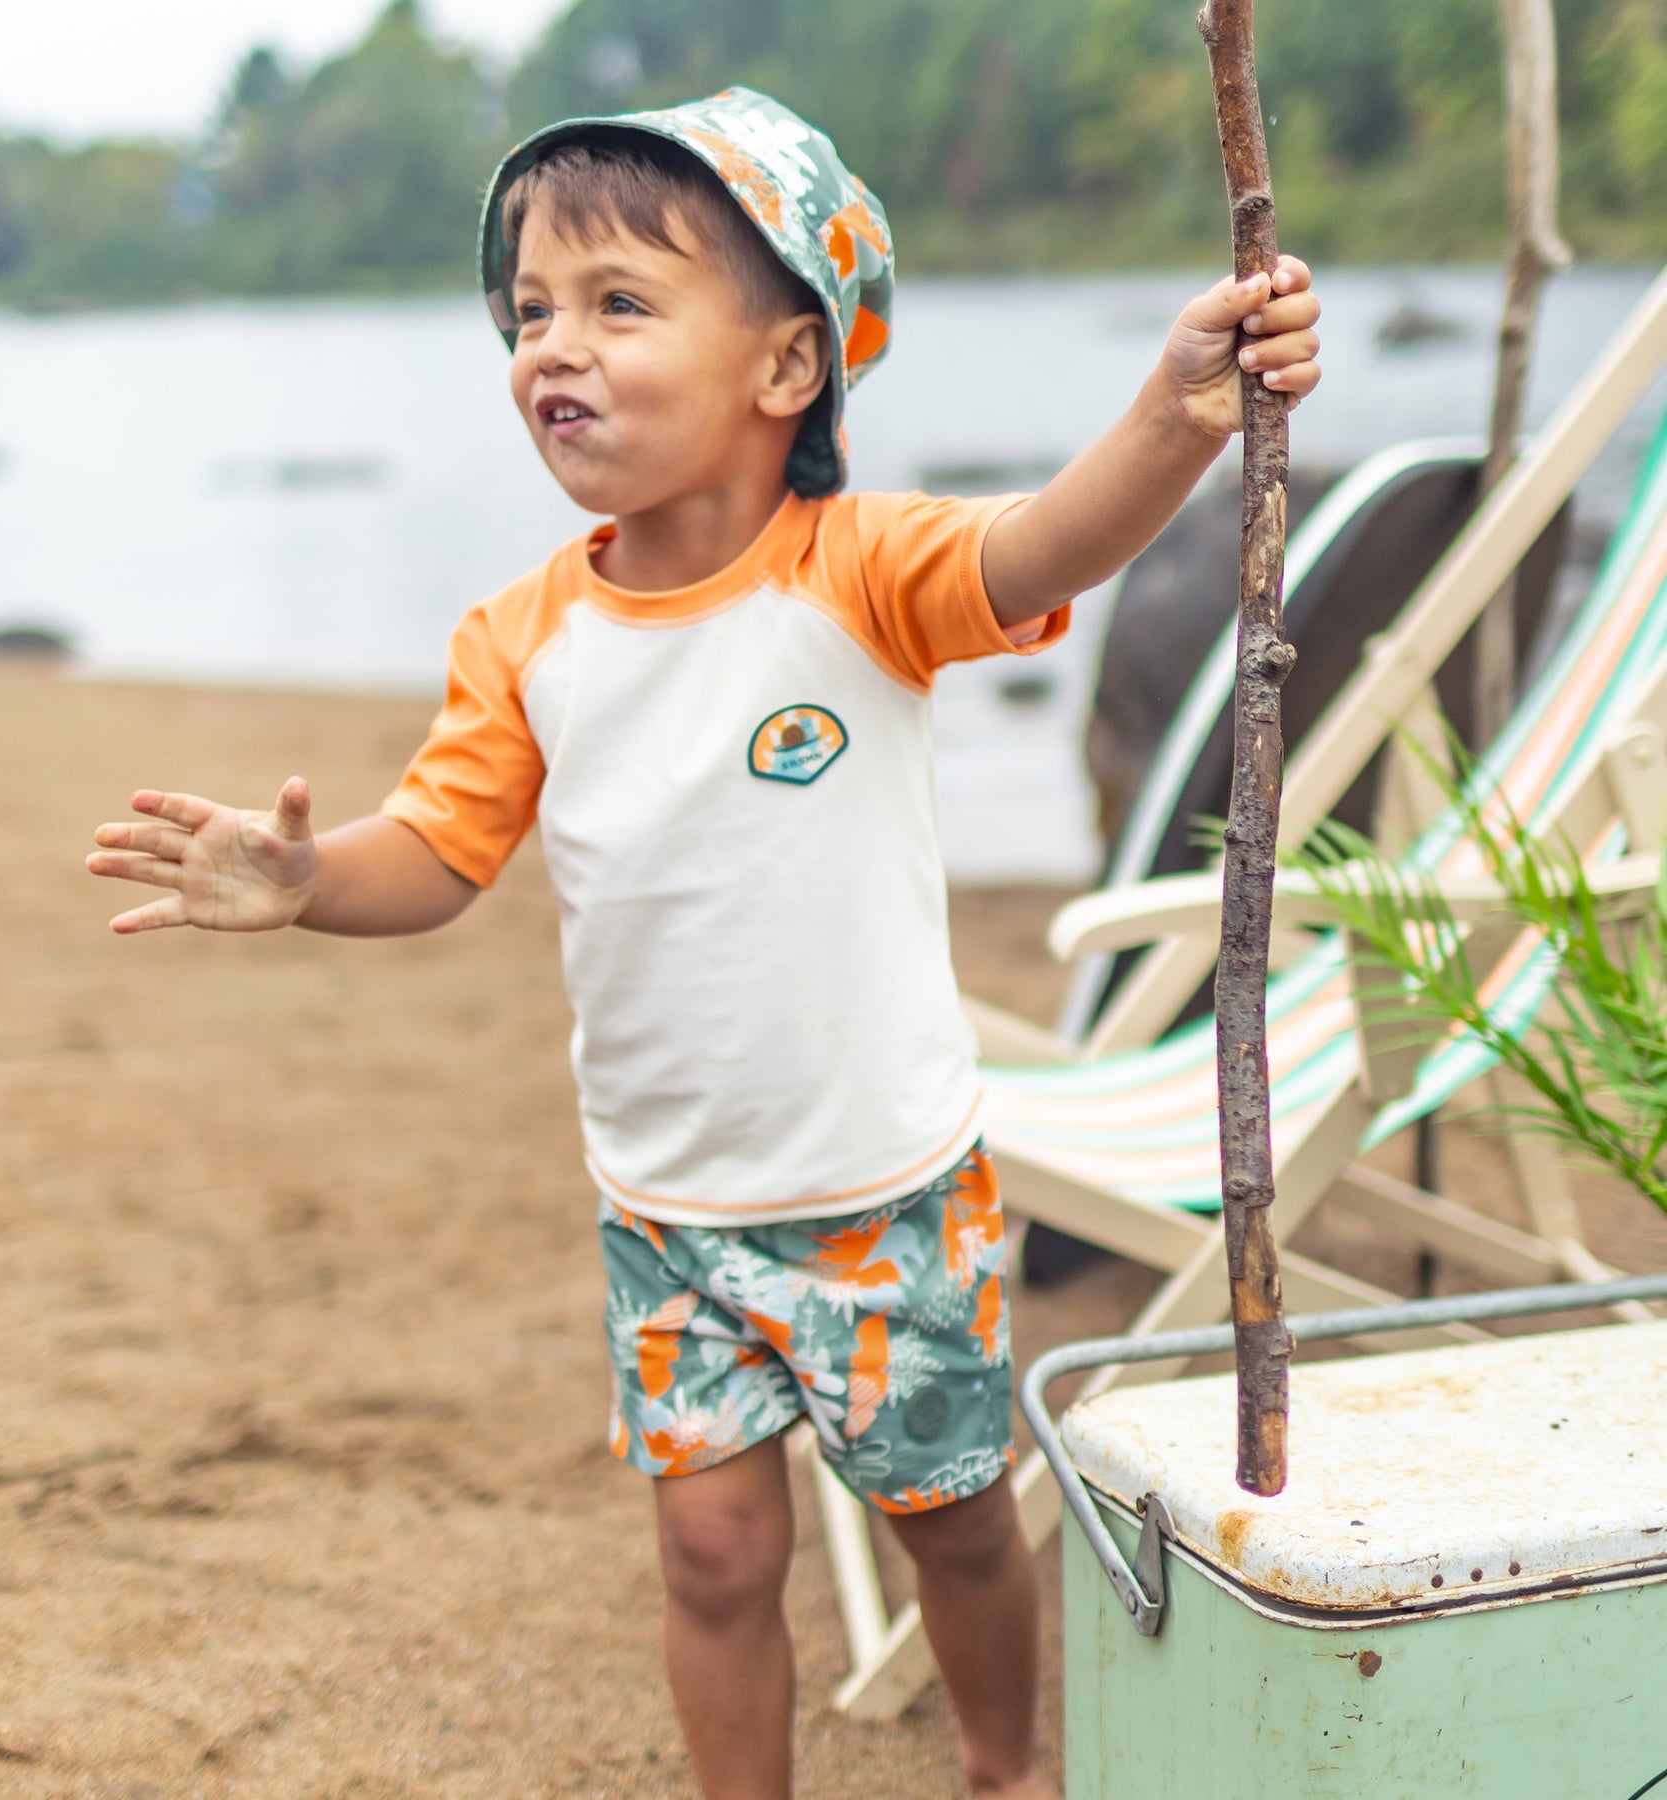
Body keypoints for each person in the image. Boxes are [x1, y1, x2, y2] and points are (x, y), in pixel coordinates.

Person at [87, 88, 1320, 1800]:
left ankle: (1002, 1765)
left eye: (616, 303)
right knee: (717, 1561)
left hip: (887, 1189)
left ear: (786, 367)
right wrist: (306, 884)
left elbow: (1053, 541)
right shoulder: (522, 637)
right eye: (527, 312)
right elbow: (439, 852)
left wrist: (1177, 417)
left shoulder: (863, 572)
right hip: (666, 1212)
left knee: (952, 1526)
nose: (549, 348)